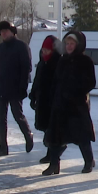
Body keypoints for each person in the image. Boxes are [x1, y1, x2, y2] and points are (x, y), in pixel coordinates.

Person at [42, 31, 96, 175]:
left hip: (77, 106)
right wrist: (53, 98)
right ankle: (54, 164)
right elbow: (56, 81)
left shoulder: (85, 61)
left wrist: (76, 93)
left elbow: (91, 82)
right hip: (60, 104)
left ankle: (89, 161)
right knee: (56, 137)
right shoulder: (63, 60)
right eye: (67, 43)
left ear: (78, 45)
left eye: (72, 44)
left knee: (82, 136)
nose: (69, 46)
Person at [0, 21, 33, 156]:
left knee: (17, 115)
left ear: (13, 32)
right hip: (1, 88)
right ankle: (2, 147)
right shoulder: (0, 48)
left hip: (15, 88)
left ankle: (28, 135)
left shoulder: (22, 47)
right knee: (1, 119)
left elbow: (26, 69)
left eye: (6, 31)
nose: (3, 34)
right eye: (1, 32)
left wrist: (22, 88)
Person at [29, 35, 63, 164]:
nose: (44, 53)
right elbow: (37, 81)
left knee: (52, 130)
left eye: (47, 51)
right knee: (45, 128)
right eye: (43, 51)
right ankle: (52, 153)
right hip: (42, 100)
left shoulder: (58, 63)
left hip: (53, 101)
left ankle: (53, 155)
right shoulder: (42, 62)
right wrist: (33, 96)